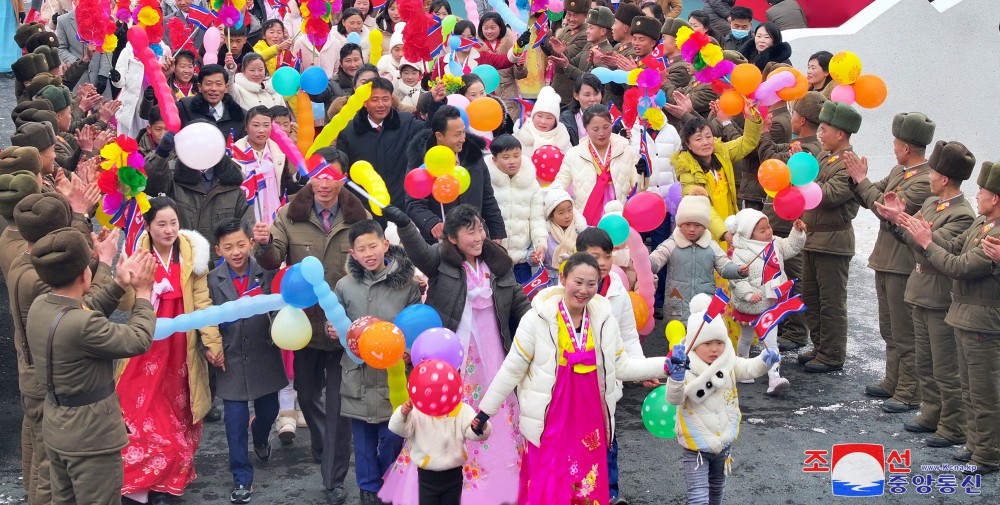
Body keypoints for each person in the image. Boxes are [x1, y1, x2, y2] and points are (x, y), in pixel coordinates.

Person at [472, 252, 669, 505]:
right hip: (549, 423)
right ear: (563, 278)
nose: (584, 290)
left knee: (587, 485)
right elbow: (512, 369)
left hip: (589, 424)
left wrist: (664, 364)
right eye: (578, 282)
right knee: (550, 486)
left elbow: (621, 366)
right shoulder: (537, 319)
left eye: (591, 283)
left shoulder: (604, 321)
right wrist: (485, 412)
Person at [380, 204, 531, 505]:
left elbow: (518, 302)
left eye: (480, 229)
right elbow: (419, 251)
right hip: (454, 356)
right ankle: (445, 482)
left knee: (497, 411)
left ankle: (500, 484)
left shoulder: (498, 264)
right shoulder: (441, 262)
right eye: (469, 231)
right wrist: (405, 224)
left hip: (494, 351)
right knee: (446, 413)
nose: (478, 237)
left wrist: (539, 323)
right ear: (451, 238)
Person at [253, 148, 372, 505]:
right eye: (317, 174)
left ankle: (334, 477)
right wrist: (262, 245)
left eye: (331, 175)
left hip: (342, 329)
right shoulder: (290, 214)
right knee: (306, 396)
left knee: (339, 407)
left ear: (342, 178)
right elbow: (273, 258)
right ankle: (323, 442)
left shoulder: (358, 215)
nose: (324, 182)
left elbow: (369, 265)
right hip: (304, 328)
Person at [26, 228, 157, 505]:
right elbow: (138, 339)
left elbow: (82, 310)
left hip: (59, 429)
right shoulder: (82, 325)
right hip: (91, 438)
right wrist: (144, 294)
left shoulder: (41, 305)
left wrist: (119, 285)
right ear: (84, 274)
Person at [7, 190, 117, 505]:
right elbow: (86, 308)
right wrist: (105, 264)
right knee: (49, 477)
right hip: (50, 377)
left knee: (35, 447)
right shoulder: (43, 280)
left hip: (32, 369)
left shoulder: (23, 259)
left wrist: (81, 221)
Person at [891, 161, 1000, 476]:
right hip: (967, 315)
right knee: (969, 387)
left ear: (995, 199)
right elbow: (952, 247)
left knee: (984, 391)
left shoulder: (994, 232)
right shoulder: (982, 223)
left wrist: (926, 241)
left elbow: (959, 266)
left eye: (983, 191)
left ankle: (988, 454)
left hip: (983, 318)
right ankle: (975, 446)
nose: (977, 195)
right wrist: (915, 227)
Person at [116, 197, 224, 505]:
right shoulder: (137, 255)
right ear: (148, 227)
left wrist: (212, 342)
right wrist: (126, 284)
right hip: (145, 346)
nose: (168, 230)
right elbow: (123, 306)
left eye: (173, 223)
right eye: (161, 224)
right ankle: (138, 486)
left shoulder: (193, 253)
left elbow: (202, 301)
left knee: (179, 418)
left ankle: (164, 484)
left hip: (182, 349)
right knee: (140, 418)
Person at [873, 141, 976, 449]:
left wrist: (914, 228)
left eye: (934, 171)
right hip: (919, 289)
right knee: (925, 362)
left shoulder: (962, 214)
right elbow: (912, 238)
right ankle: (931, 414)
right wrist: (899, 220)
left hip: (938, 293)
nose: (929, 175)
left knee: (946, 367)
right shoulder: (933, 202)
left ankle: (952, 425)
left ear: (945, 178)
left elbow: (936, 245)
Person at [846, 112, 936, 411]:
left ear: (907, 147)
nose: (894, 147)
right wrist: (857, 180)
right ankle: (893, 379)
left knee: (903, 330)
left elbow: (884, 208)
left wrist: (863, 181)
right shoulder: (902, 172)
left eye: (896, 143)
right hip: (886, 259)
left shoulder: (923, 181)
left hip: (902, 263)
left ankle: (910, 391)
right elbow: (871, 197)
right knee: (888, 327)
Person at [334, 219, 420, 504]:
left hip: (392, 377)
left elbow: (416, 323)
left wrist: (408, 349)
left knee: (393, 434)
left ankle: (390, 478)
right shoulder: (344, 285)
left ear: (385, 244)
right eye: (361, 249)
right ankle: (368, 487)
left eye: (373, 245)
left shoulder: (407, 284)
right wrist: (331, 329)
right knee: (362, 439)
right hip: (357, 375)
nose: (368, 253)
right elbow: (335, 322)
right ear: (353, 253)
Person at [666, 295, 780, 505]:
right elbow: (675, 398)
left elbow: (747, 368)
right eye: (707, 343)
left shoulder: (727, 360)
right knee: (699, 497)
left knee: (717, 490)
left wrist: (764, 361)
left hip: (724, 440)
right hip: (696, 445)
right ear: (694, 344)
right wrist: (676, 379)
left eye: (719, 342)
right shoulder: (685, 366)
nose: (715, 348)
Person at [207, 218, 286, 505]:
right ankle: (242, 477)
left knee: (269, 410)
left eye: (241, 244)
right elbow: (205, 319)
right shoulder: (211, 279)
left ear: (251, 243)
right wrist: (209, 347)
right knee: (234, 422)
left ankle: (261, 436)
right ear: (219, 249)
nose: (236, 251)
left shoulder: (266, 272)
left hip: (264, 354)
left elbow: (281, 307)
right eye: (228, 247)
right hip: (230, 359)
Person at [576, 227, 652, 503]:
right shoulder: (569, 291)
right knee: (576, 442)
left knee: (607, 440)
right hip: (574, 382)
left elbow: (628, 335)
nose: (603, 263)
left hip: (606, 382)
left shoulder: (618, 290)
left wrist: (643, 370)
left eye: (607, 256)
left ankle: (610, 494)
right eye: (595, 256)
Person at [757, 91, 826, 351]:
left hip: (789, 223)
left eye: (795, 113)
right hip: (786, 220)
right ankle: (789, 326)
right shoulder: (803, 144)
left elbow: (769, 161)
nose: (792, 117)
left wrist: (763, 134)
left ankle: (796, 331)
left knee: (793, 277)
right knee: (784, 275)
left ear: (803, 120)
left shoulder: (806, 150)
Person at [797, 101, 862, 373]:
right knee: (811, 297)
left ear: (841, 134)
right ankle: (820, 344)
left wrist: (804, 180)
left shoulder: (850, 162)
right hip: (813, 240)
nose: (820, 134)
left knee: (831, 302)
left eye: (825, 130)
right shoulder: (826, 157)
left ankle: (832, 354)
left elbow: (831, 194)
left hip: (833, 242)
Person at [335, 77, 446, 227]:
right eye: (374, 99)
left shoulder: (406, 123)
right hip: (366, 213)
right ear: (365, 102)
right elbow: (343, 175)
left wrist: (435, 103)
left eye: (385, 99)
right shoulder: (348, 133)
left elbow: (431, 132)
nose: (381, 105)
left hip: (403, 209)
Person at [145, 120, 254, 265]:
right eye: (196, 143)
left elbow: (247, 226)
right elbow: (150, 185)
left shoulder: (234, 180)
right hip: (181, 262)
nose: (202, 148)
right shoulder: (172, 174)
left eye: (208, 143)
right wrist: (161, 154)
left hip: (223, 265)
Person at [726, 208, 807, 394]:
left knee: (771, 342)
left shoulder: (775, 243)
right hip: (750, 305)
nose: (768, 231)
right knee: (746, 338)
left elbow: (791, 247)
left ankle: (774, 377)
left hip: (771, 304)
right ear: (749, 233)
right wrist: (747, 294)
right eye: (762, 230)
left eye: (768, 227)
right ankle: (743, 368)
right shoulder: (741, 252)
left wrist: (798, 232)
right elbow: (736, 279)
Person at [405, 105, 507, 243]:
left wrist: (497, 233)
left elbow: (487, 197)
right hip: (442, 242)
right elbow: (414, 204)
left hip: (475, 238)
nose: (463, 138)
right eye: (457, 134)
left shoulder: (473, 155)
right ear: (439, 136)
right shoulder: (422, 159)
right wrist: (432, 222)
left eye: (464, 132)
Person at [649, 192, 748, 321]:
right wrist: (644, 262)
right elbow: (656, 259)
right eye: (687, 224)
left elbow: (724, 266)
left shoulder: (711, 246)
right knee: (678, 340)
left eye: (697, 225)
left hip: (704, 308)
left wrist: (738, 270)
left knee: (702, 340)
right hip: (677, 308)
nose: (692, 229)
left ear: (705, 226)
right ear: (680, 224)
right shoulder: (671, 244)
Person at [672, 107, 762, 245]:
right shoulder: (686, 170)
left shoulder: (722, 153)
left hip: (730, 225)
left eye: (708, 136)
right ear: (688, 145)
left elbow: (747, 143)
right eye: (698, 139)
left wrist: (752, 119)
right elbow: (702, 207)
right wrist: (723, 232)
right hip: (708, 232)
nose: (706, 142)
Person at [388, 398, 491, 505]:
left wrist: (481, 426)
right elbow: (399, 429)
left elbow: (474, 433)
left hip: (453, 475)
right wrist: (402, 414)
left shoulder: (461, 409)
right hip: (427, 476)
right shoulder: (418, 409)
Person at [554, 105, 643, 226]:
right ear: (586, 128)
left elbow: (639, 189)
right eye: (595, 129)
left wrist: (644, 174)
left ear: (611, 124)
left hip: (619, 216)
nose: (601, 133)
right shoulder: (574, 154)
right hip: (587, 217)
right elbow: (559, 184)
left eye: (606, 127)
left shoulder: (626, 150)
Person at [487, 135, 546, 284]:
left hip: (521, 260)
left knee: (523, 301)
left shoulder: (531, 183)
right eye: (505, 157)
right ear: (495, 159)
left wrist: (540, 244)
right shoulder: (486, 182)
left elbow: (537, 218)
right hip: (492, 258)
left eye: (516, 155)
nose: (512, 161)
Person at [235, 106, 306, 224]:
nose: (261, 130)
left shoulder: (277, 153)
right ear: (246, 127)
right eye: (256, 125)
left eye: (266, 125)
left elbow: (285, 186)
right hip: (247, 216)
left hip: (275, 214)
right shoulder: (235, 155)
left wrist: (300, 179)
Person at [551, 7, 615, 93]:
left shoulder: (606, 53)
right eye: (588, 27)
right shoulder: (589, 45)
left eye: (591, 28)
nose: (587, 31)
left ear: (603, 31)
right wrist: (563, 52)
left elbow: (590, 80)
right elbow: (574, 63)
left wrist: (566, 65)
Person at [177, 64, 247, 139]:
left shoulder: (239, 114)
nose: (213, 88)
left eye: (218, 84)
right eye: (208, 84)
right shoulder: (184, 107)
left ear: (226, 88)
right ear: (200, 87)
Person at [548, 0, 590, 107]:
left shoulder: (585, 35)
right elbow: (552, 52)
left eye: (575, 15)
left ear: (585, 15)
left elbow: (567, 60)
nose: (571, 19)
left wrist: (546, 39)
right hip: (556, 87)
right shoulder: (566, 30)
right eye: (568, 14)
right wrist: (544, 39)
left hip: (568, 92)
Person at [514, 86, 572, 158]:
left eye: (549, 118)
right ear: (533, 116)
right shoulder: (521, 133)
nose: (543, 121)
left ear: (555, 121)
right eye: (539, 116)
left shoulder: (562, 137)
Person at [543, 187, 586, 282]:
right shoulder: (545, 234)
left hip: (578, 277)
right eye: (561, 213)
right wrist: (533, 258)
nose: (567, 216)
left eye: (570, 210)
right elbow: (534, 255)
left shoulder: (582, 230)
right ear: (551, 215)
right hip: (552, 280)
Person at [559, 73, 606, 146]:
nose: (592, 99)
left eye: (596, 94)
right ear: (576, 96)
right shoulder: (566, 120)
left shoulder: (611, 117)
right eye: (587, 95)